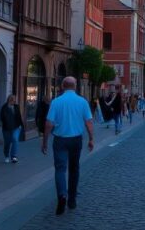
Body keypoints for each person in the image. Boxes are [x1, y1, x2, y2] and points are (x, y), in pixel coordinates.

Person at [43, 77, 94, 215]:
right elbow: (89, 122)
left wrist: (45, 142)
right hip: (76, 140)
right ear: (75, 85)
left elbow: (49, 123)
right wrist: (91, 138)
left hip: (60, 140)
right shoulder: (82, 101)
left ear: (62, 86)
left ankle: (62, 195)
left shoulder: (56, 102)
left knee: (60, 169)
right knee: (74, 169)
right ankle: (72, 199)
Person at [0, 94, 23, 164]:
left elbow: (19, 116)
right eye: (13, 100)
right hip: (6, 128)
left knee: (15, 139)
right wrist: (2, 124)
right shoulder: (4, 107)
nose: (14, 101)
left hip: (16, 127)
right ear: (9, 100)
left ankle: (13, 156)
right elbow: (2, 117)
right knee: (7, 142)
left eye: (14, 100)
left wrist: (20, 125)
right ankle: (6, 156)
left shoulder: (16, 107)